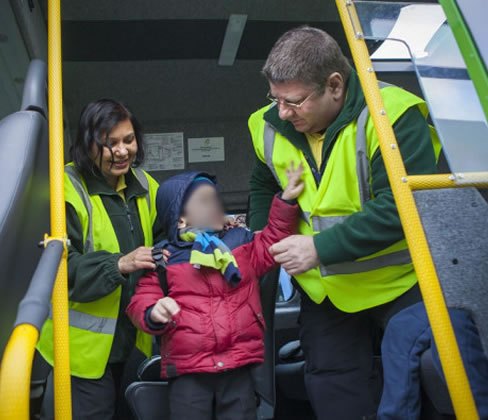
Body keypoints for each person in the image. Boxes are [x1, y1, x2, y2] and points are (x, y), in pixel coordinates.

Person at [247, 26, 441, 418]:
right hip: (325, 292)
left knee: (429, 379)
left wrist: (318, 248)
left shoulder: (392, 116)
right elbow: (263, 183)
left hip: (401, 283)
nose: (281, 112)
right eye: (275, 98)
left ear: (335, 86)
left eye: (294, 101)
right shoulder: (264, 125)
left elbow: (403, 208)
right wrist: (264, 236)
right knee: (334, 391)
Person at [126, 162, 304, 420]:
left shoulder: (240, 242)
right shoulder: (163, 259)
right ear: (180, 219)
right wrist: (153, 311)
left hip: (238, 366)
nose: (215, 205)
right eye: (204, 201)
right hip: (188, 370)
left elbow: (272, 242)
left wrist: (285, 201)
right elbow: (141, 299)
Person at [36, 99, 167, 419]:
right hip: (81, 351)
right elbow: (57, 268)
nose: (122, 151)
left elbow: (166, 241)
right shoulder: (64, 189)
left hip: (133, 341)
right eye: (110, 143)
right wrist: (118, 264)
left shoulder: (145, 185)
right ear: (88, 144)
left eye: (129, 140)